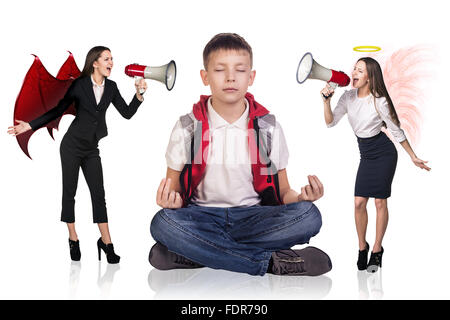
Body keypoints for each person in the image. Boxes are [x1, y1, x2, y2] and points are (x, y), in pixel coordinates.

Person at [148, 33, 332, 276]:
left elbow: (284, 191)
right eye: (220, 70)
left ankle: (198, 252)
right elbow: (175, 195)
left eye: (240, 70)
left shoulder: (268, 126)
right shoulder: (187, 126)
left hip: (254, 218)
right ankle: (267, 262)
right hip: (201, 217)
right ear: (205, 77)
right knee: (163, 223)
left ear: (251, 77)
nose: (231, 77)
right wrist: (170, 201)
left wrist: (301, 198)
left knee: (309, 215)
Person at [8, 46, 147, 264]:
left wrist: (139, 95)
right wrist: (30, 126)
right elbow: (58, 111)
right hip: (71, 147)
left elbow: (127, 113)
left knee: (98, 194)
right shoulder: (79, 85)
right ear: (95, 63)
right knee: (69, 193)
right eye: (107, 58)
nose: (111, 62)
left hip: (92, 149)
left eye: (112, 59)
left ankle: (107, 243)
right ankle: (73, 238)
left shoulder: (111, 87)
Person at [321, 57, 430, 273]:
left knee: (380, 203)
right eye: (354, 68)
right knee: (359, 203)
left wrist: (412, 156)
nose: (354, 72)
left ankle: (377, 250)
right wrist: (326, 101)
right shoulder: (348, 97)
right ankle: (363, 247)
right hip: (366, 155)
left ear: (370, 78)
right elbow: (330, 122)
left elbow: (397, 131)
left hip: (384, 154)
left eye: (360, 70)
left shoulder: (379, 101)